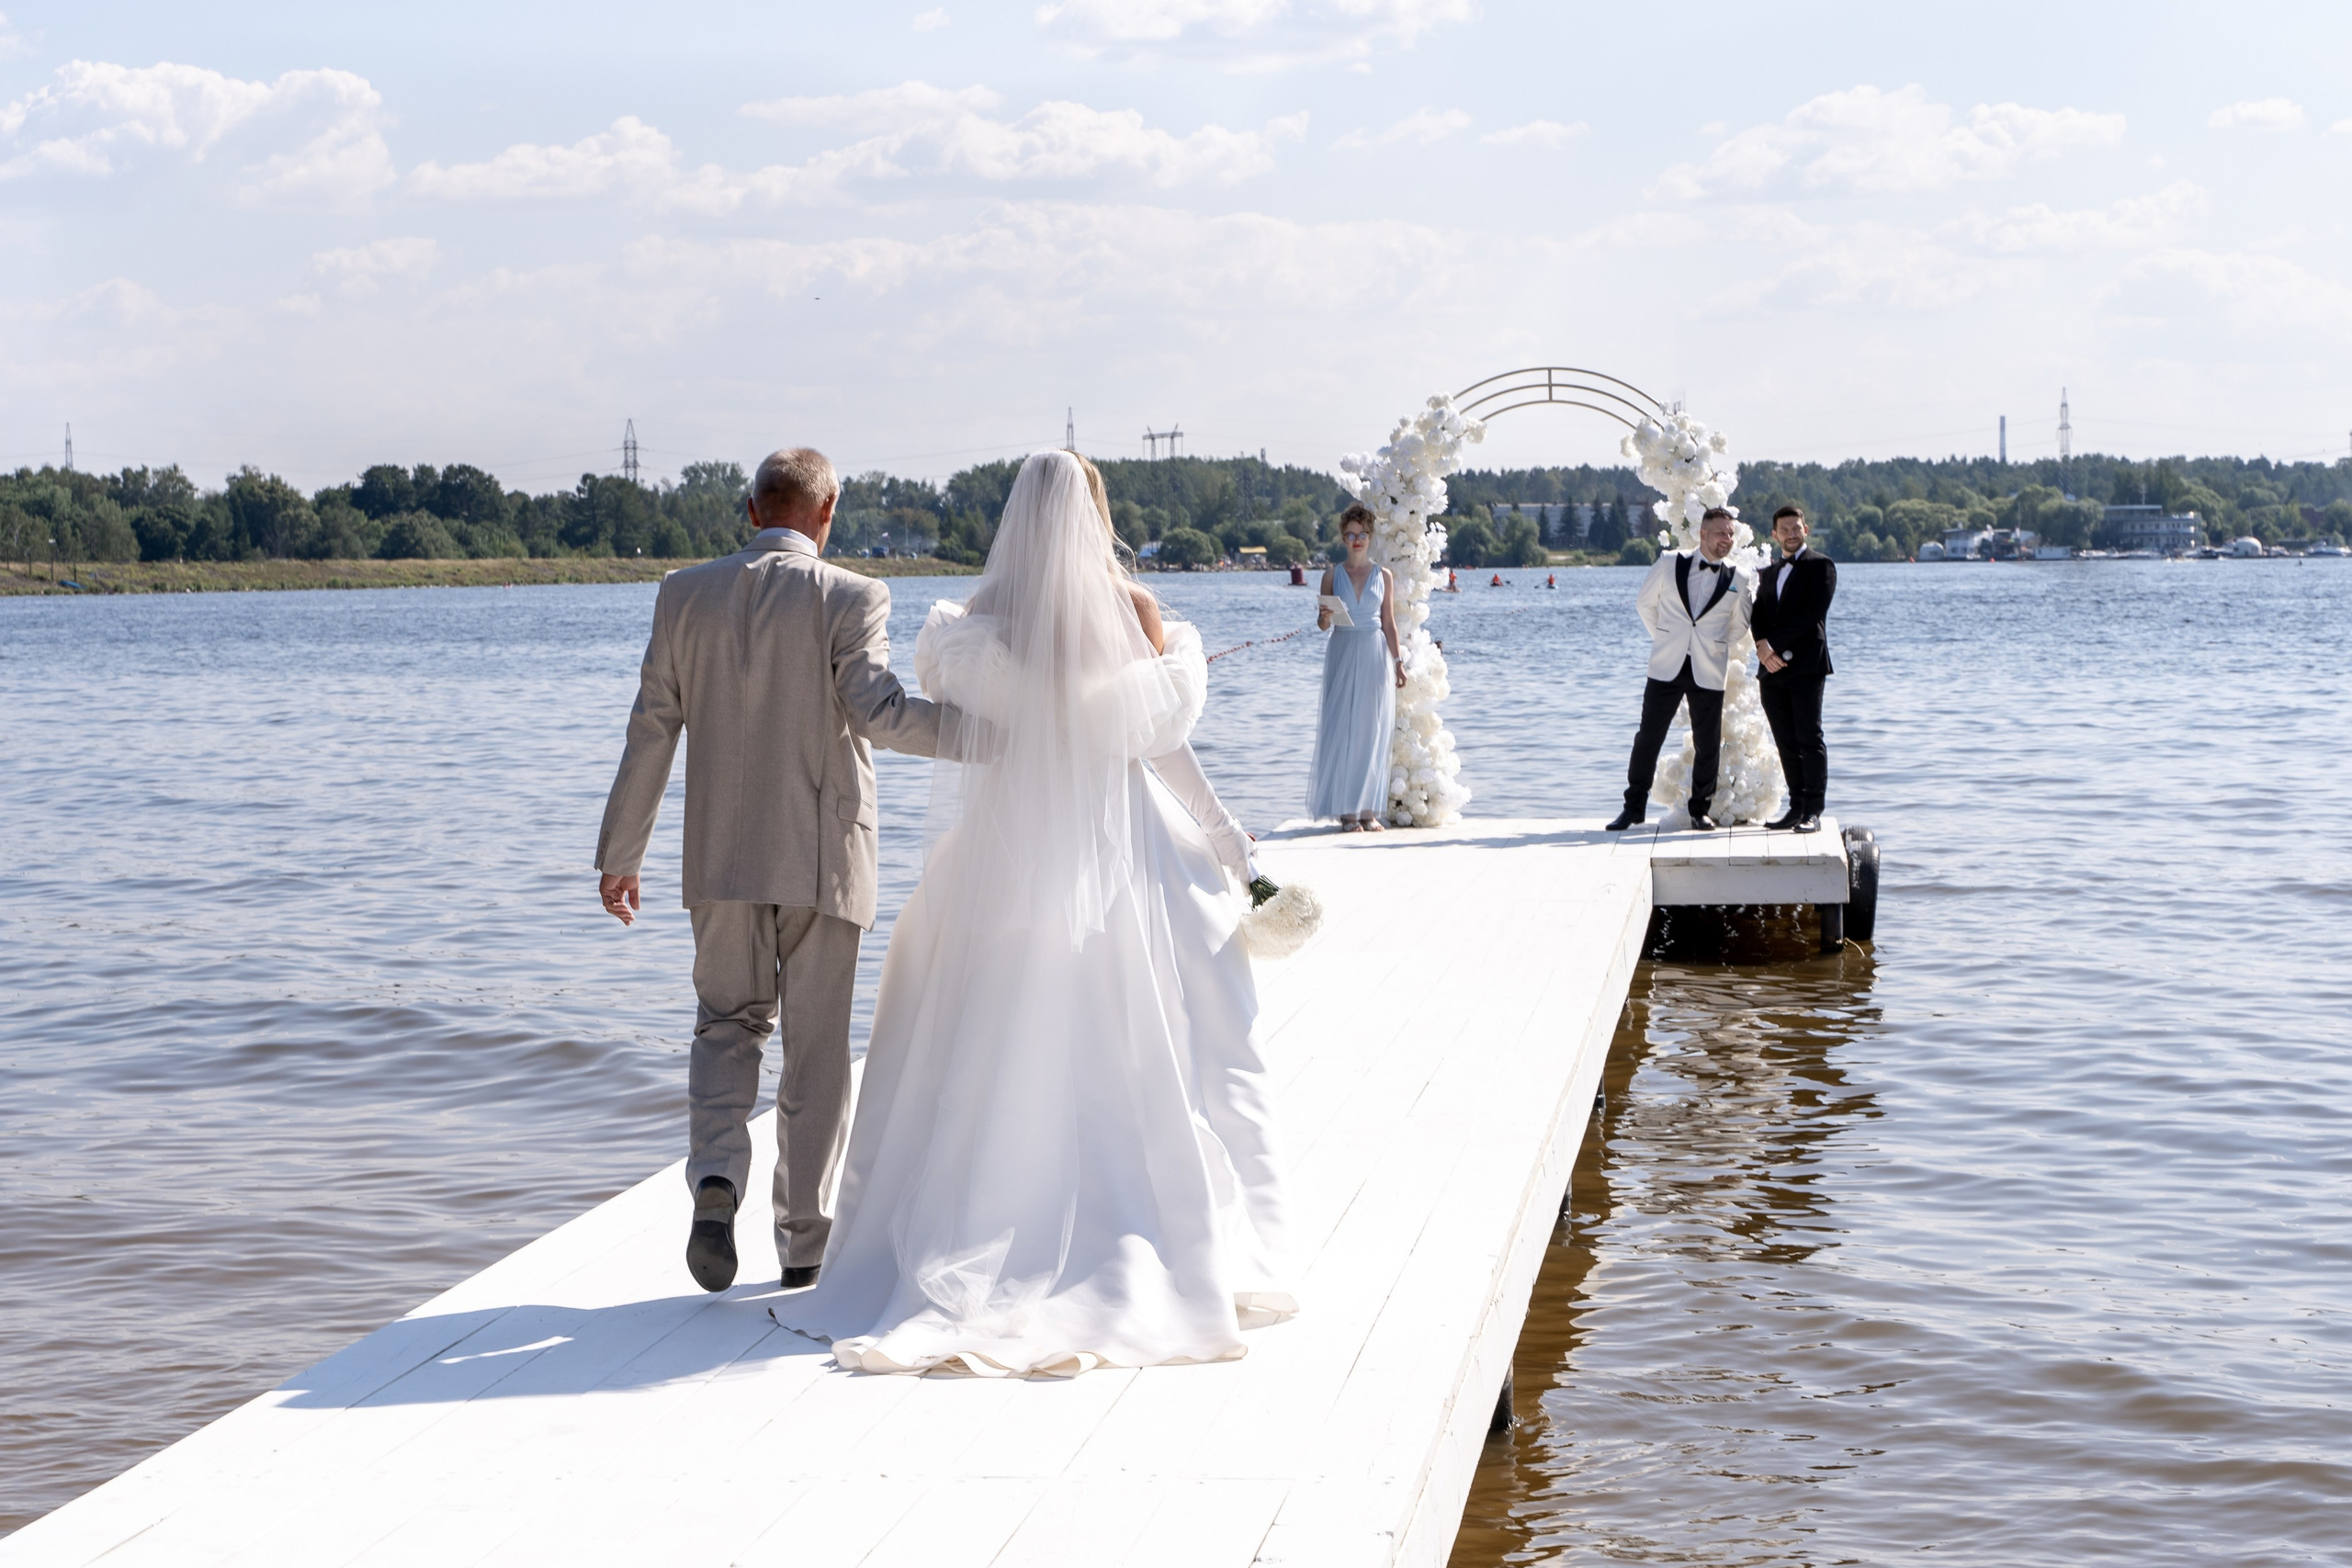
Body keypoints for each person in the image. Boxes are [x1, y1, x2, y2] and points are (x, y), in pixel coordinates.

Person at [773, 449, 1294, 1376]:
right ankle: (1156, 1232)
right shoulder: (1133, 611)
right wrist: (1226, 838)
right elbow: (1160, 745)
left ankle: (964, 1225)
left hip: (1008, 848)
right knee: (1158, 1028)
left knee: (974, 1022)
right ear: (1094, 515)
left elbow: (966, 721)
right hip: (1114, 844)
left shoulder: (979, 620)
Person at [595, 448, 949, 1293]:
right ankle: (803, 1242)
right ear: (827, 516)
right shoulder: (853, 595)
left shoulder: (683, 593)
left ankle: (717, 1176)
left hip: (719, 859)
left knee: (726, 1027)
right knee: (816, 1051)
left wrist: (620, 855)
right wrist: (998, 734)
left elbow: (652, 728)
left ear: (751, 512)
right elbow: (880, 711)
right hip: (825, 858)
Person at [1607, 506, 1752, 832]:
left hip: (1709, 667)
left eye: (1730, 534)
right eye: (1720, 533)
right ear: (1702, 534)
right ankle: (1633, 808)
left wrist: (1712, 643)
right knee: (1648, 737)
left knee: (1708, 742)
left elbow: (1740, 625)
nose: (1726, 540)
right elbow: (1645, 604)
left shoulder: (1738, 578)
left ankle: (1700, 810)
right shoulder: (1669, 562)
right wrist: (1667, 637)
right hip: (1666, 664)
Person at [1306, 502, 1405, 831]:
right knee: (1344, 728)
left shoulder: (1384, 576)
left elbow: (1389, 624)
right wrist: (1323, 618)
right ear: (1343, 538)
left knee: (1372, 729)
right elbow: (1323, 626)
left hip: (1375, 652)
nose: (1357, 540)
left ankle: (1367, 810)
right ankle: (1347, 812)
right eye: (1350, 534)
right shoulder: (1332, 575)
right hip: (1343, 649)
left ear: (1370, 535)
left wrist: (1399, 662)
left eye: (1362, 534)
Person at [1752, 503, 1837, 832]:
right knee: (1785, 741)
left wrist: (1775, 647)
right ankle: (1795, 807)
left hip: (1805, 667)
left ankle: (1813, 811)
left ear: (1806, 529)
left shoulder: (1821, 566)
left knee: (1809, 738)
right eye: (1784, 529)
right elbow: (1756, 614)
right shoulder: (1768, 571)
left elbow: (1811, 614)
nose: (1790, 533)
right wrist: (1761, 646)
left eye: (1796, 527)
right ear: (1774, 535)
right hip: (1770, 669)